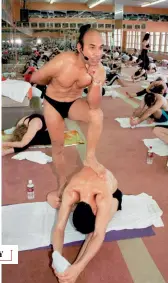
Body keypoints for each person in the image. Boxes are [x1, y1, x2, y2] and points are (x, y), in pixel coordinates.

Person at [30, 24, 106, 208]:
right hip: (53, 103)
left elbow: (93, 105)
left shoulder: (99, 70)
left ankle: (90, 157)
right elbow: (37, 78)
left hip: (73, 103)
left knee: (97, 115)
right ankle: (62, 181)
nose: (97, 53)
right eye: (92, 47)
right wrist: (45, 87)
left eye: (101, 47)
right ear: (80, 47)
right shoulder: (63, 61)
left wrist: (96, 82)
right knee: (58, 146)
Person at [51, 166, 122, 283]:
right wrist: (56, 255)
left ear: (95, 211)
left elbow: (98, 234)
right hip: (84, 186)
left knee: (96, 229)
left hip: (113, 194)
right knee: (54, 199)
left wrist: (78, 267)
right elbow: (59, 228)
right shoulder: (71, 193)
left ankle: (75, 272)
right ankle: (73, 272)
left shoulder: (102, 197)